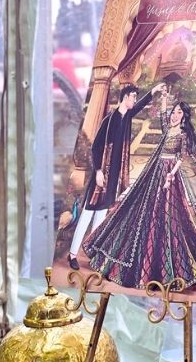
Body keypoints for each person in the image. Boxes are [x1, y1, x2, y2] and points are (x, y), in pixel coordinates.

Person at [82, 91, 196, 290]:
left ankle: (168, 269)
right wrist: (164, 98)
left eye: (178, 113)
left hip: (169, 176)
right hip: (155, 173)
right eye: (174, 112)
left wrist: (171, 175)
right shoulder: (168, 129)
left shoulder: (182, 135)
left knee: (169, 217)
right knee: (140, 210)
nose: (175, 115)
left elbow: (182, 157)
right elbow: (163, 117)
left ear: (184, 117)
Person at [67, 82, 165, 269]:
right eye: (133, 96)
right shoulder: (109, 120)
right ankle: (72, 255)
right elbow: (95, 148)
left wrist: (154, 91)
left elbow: (140, 105)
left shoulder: (126, 117)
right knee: (87, 213)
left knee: (101, 215)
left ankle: (92, 253)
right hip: (101, 174)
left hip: (113, 176)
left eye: (135, 97)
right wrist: (97, 171)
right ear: (125, 97)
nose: (134, 100)